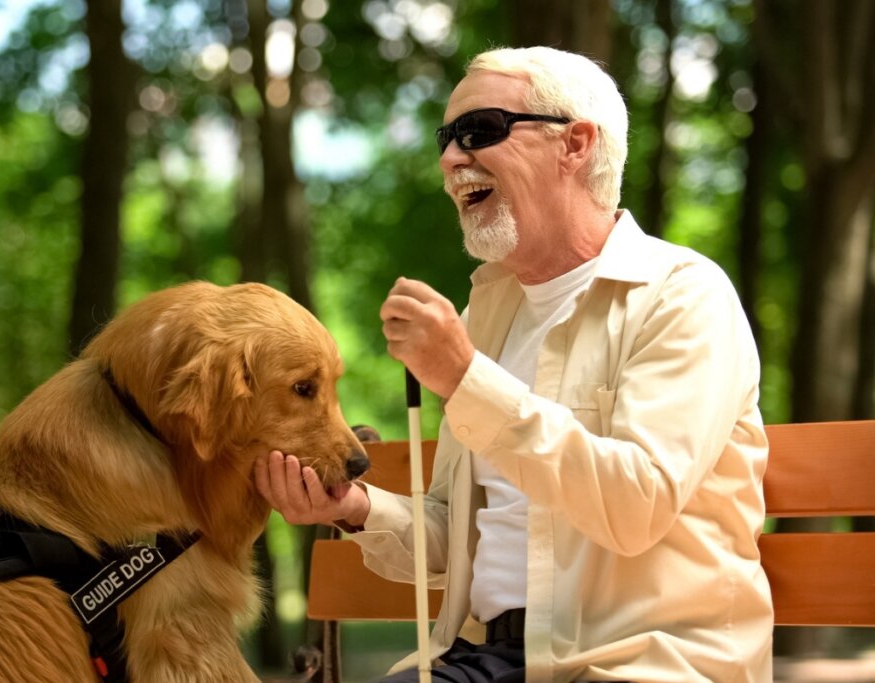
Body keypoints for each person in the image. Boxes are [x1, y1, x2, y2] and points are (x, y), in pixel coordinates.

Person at [254, 46, 773, 683]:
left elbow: (637, 506)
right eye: (446, 138)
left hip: (642, 662)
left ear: (575, 144)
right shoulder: (487, 318)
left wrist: (467, 379)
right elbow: (453, 533)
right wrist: (352, 507)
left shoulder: (683, 294)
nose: (450, 158)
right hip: (485, 659)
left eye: (480, 130)